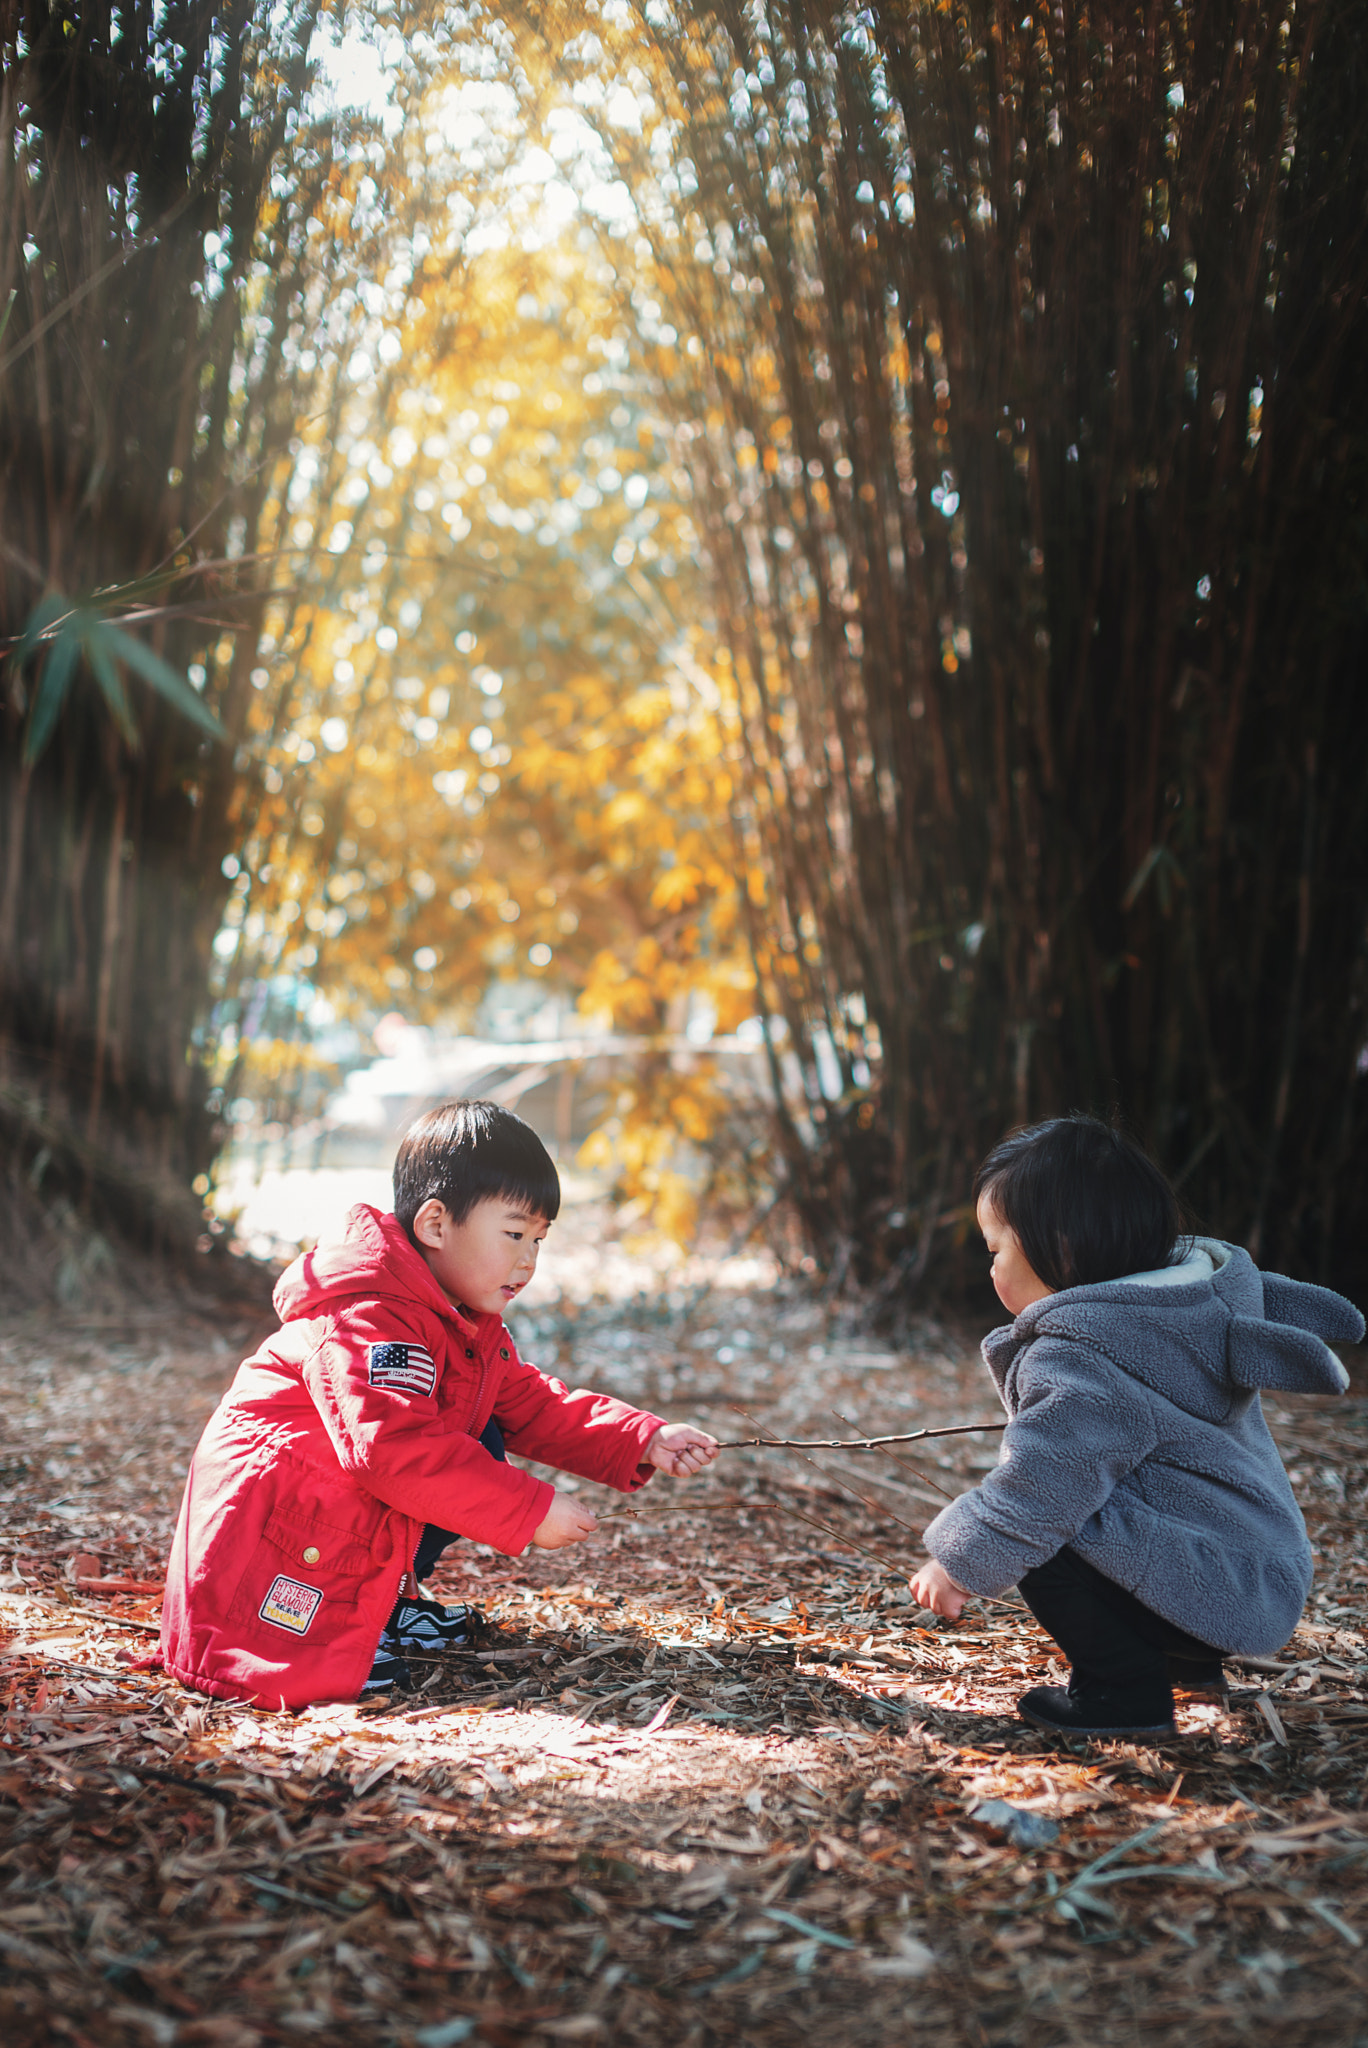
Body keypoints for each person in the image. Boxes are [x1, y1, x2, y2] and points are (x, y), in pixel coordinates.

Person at [161, 1100, 718, 1710]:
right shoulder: (371, 1317)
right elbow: (390, 1450)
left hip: (310, 1523)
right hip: (262, 1548)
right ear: (434, 1225)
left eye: (539, 1239)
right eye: (513, 1234)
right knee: (429, 1455)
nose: (529, 1260)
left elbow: (530, 1402)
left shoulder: (457, 1322)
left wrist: (640, 1438)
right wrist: (528, 1509)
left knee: (481, 1439)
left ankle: (376, 1612)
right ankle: (321, 1636)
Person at [909, 1115, 1363, 1739]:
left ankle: (1121, 1695)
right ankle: (1187, 1661)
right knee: (1099, 1499)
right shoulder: (1188, 1305)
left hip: (1215, 1582)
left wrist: (960, 1561)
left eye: (997, 1249)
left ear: (1062, 1247)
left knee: (1049, 1528)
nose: (990, 1270)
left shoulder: (1084, 1353)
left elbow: (1041, 1487)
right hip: (1255, 1571)